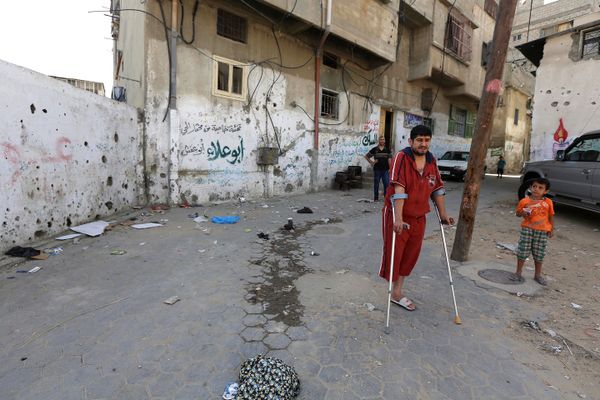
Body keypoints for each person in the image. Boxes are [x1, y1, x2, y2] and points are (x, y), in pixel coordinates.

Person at [378, 125, 454, 311]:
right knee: (395, 253)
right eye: (420, 140)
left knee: (410, 255)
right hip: (398, 215)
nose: (423, 144)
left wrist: (443, 214)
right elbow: (399, 189)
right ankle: (394, 291)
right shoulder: (401, 158)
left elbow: (437, 188)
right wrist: (398, 218)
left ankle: (398, 291)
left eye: (427, 140)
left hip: (419, 217)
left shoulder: (431, 161)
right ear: (411, 141)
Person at [512, 178, 554, 285]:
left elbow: (550, 216)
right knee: (523, 250)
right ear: (530, 188)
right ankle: (518, 273)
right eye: (534, 186)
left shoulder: (548, 202)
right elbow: (518, 214)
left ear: (546, 191)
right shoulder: (524, 201)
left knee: (539, 253)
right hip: (527, 229)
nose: (536, 189)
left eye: (540, 188)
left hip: (542, 231)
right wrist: (523, 213)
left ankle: (537, 275)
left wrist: (551, 229)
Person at [365, 136, 392, 201]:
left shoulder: (387, 150)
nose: (382, 141)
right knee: (376, 184)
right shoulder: (375, 149)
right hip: (377, 170)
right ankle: (376, 198)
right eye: (381, 140)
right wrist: (371, 162)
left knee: (386, 184)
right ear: (379, 141)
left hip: (385, 170)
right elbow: (366, 156)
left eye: (383, 140)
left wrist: (390, 168)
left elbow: (389, 160)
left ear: (385, 141)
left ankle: (386, 197)